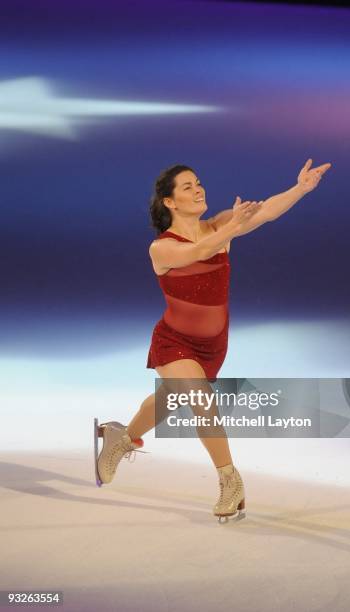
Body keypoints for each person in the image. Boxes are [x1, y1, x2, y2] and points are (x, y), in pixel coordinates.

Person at [95, 158, 332, 522]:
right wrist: (233, 226)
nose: (198, 189)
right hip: (174, 340)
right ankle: (230, 479)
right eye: (187, 186)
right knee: (199, 398)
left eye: (199, 183)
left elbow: (266, 211)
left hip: (214, 344)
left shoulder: (220, 224)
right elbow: (198, 252)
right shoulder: (162, 247)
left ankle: (121, 437)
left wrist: (299, 188)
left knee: (170, 398)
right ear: (170, 202)